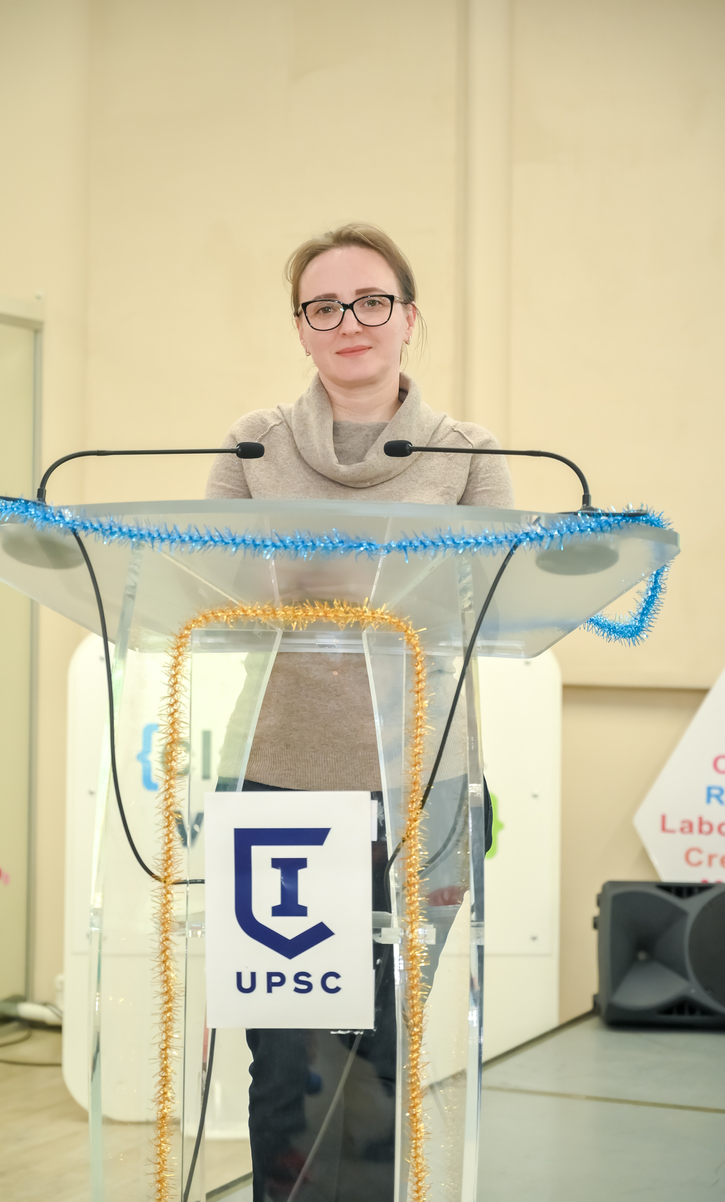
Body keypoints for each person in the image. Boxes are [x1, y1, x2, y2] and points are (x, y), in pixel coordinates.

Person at [206, 224, 514, 1202]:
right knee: (285, 1060)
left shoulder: (468, 455)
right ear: (300, 328)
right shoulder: (253, 444)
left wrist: (334, 584)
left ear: (408, 317)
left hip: (423, 781)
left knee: (379, 1052)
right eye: (324, 306)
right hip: (277, 782)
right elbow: (217, 594)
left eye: (372, 301)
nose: (350, 321)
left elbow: (491, 603)